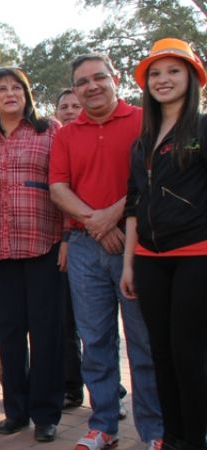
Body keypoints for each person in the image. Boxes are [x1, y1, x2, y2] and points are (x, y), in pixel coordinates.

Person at [49, 53, 163, 450]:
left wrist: (111, 219)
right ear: (75, 89)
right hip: (84, 248)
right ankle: (103, 424)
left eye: (99, 78)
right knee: (95, 341)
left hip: (136, 244)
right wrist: (96, 224)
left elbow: (150, 178)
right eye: (82, 82)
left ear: (115, 79)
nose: (92, 86)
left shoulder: (144, 119)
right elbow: (58, 187)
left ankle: (155, 431)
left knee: (143, 341)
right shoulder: (66, 133)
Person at [121, 38, 207, 450]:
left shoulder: (203, 129)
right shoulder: (142, 142)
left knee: (189, 353)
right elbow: (134, 203)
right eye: (155, 73)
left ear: (192, 77)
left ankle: (195, 438)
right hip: (148, 260)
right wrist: (128, 265)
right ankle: (171, 439)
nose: (163, 80)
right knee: (161, 354)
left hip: (196, 256)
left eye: (173, 71)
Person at [0, 67, 63, 442]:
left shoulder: (50, 131)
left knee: (46, 333)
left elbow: (66, 183)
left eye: (17, 87)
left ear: (27, 94)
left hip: (44, 243)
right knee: (9, 332)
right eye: (2, 89)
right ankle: (16, 410)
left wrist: (65, 239)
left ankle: (46, 412)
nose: (10, 93)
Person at [53, 87, 86, 411]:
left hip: (100, 238)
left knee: (98, 325)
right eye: (64, 106)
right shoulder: (56, 142)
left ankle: (112, 390)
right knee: (66, 321)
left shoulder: (90, 140)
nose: (70, 110)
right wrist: (64, 239)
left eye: (76, 105)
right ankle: (71, 386)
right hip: (67, 242)